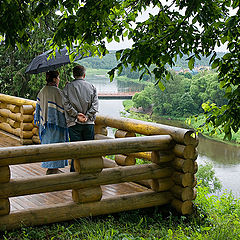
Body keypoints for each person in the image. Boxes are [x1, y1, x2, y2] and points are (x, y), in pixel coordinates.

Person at [62, 65, 99, 172]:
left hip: (74, 124)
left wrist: (77, 115)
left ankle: (75, 171)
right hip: (89, 123)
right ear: (84, 74)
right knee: (88, 149)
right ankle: (88, 171)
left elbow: (66, 105)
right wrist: (87, 116)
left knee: (75, 150)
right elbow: (95, 105)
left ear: (74, 75)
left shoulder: (68, 88)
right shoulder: (91, 86)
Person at [34, 71, 69, 175]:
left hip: (45, 124)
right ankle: (54, 169)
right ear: (54, 79)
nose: (59, 79)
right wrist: (66, 90)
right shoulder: (56, 91)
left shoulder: (42, 90)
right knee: (56, 146)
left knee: (47, 145)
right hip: (56, 124)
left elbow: (38, 106)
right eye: (58, 78)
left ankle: (51, 168)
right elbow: (65, 105)